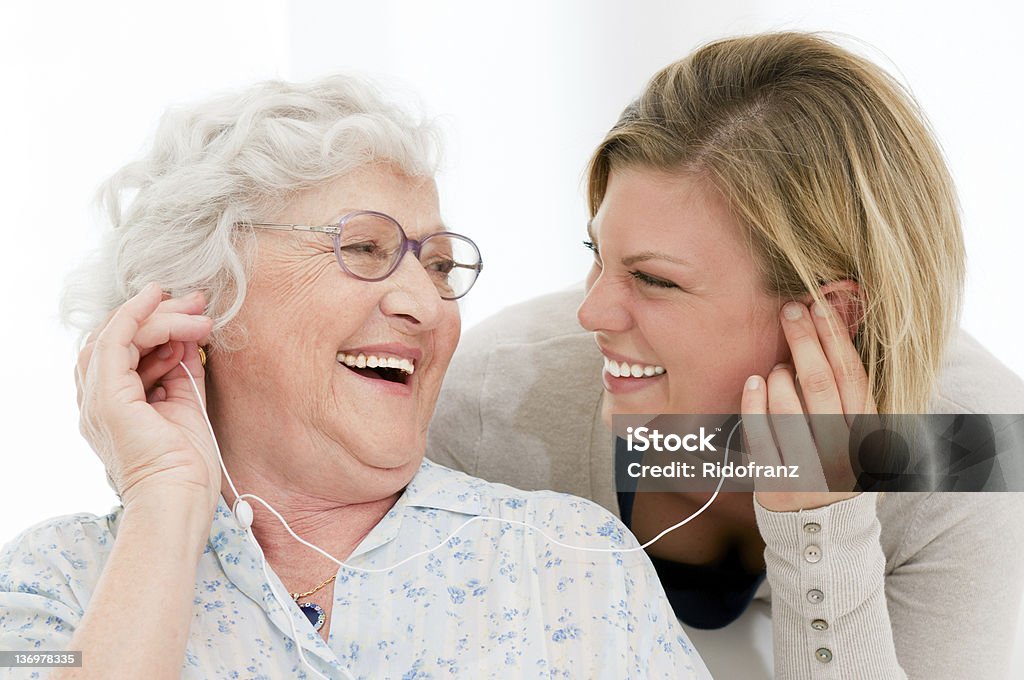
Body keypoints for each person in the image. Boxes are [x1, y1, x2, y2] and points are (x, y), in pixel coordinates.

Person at [0, 76, 710, 679]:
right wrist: (162, 501)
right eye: (364, 248)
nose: (425, 304)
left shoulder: (569, 560)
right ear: (201, 298)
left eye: (436, 266)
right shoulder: (58, 577)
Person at [428, 32, 1024, 679]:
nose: (591, 313)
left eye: (655, 280)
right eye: (595, 253)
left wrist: (823, 529)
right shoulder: (496, 403)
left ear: (832, 314)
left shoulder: (969, 445)